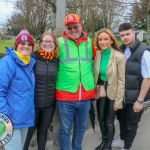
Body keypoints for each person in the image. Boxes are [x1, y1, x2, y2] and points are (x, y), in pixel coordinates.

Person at [56, 13, 96, 150]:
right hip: (65, 96)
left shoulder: (90, 42)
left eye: (75, 27)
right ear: (66, 29)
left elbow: (103, 58)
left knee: (80, 129)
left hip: (85, 96)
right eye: (69, 28)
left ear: (81, 26)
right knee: (65, 130)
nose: (73, 30)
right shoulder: (59, 42)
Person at [112, 22, 150, 150]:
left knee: (131, 124)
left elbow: (147, 78)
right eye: (122, 35)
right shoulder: (120, 50)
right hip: (122, 96)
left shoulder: (143, 52)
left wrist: (140, 100)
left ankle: (127, 147)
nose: (125, 37)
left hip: (136, 97)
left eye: (128, 34)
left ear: (134, 33)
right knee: (122, 121)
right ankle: (123, 140)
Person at [0, 30, 35, 150]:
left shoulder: (28, 63)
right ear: (16, 45)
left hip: (24, 118)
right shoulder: (7, 63)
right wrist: (5, 118)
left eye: (29, 44)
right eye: (22, 43)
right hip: (10, 120)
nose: (26, 46)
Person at [23, 32, 59, 150]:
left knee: (43, 132)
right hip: (33, 104)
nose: (48, 44)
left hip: (49, 104)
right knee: (28, 133)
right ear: (40, 43)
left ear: (55, 44)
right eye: (45, 41)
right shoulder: (32, 58)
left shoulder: (57, 60)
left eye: (50, 41)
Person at [94, 28, 125, 150]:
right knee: (101, 119)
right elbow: (95, 74)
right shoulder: (98, 54)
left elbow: (122, 81)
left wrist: (118, 101)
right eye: (100, 39)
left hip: (113, 92)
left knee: (109, 121)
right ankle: (104, 141)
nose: (103, 42)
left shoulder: (119, 56)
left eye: (106, 39)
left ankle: (108, 145)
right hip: (101, 89)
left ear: (112, 40)